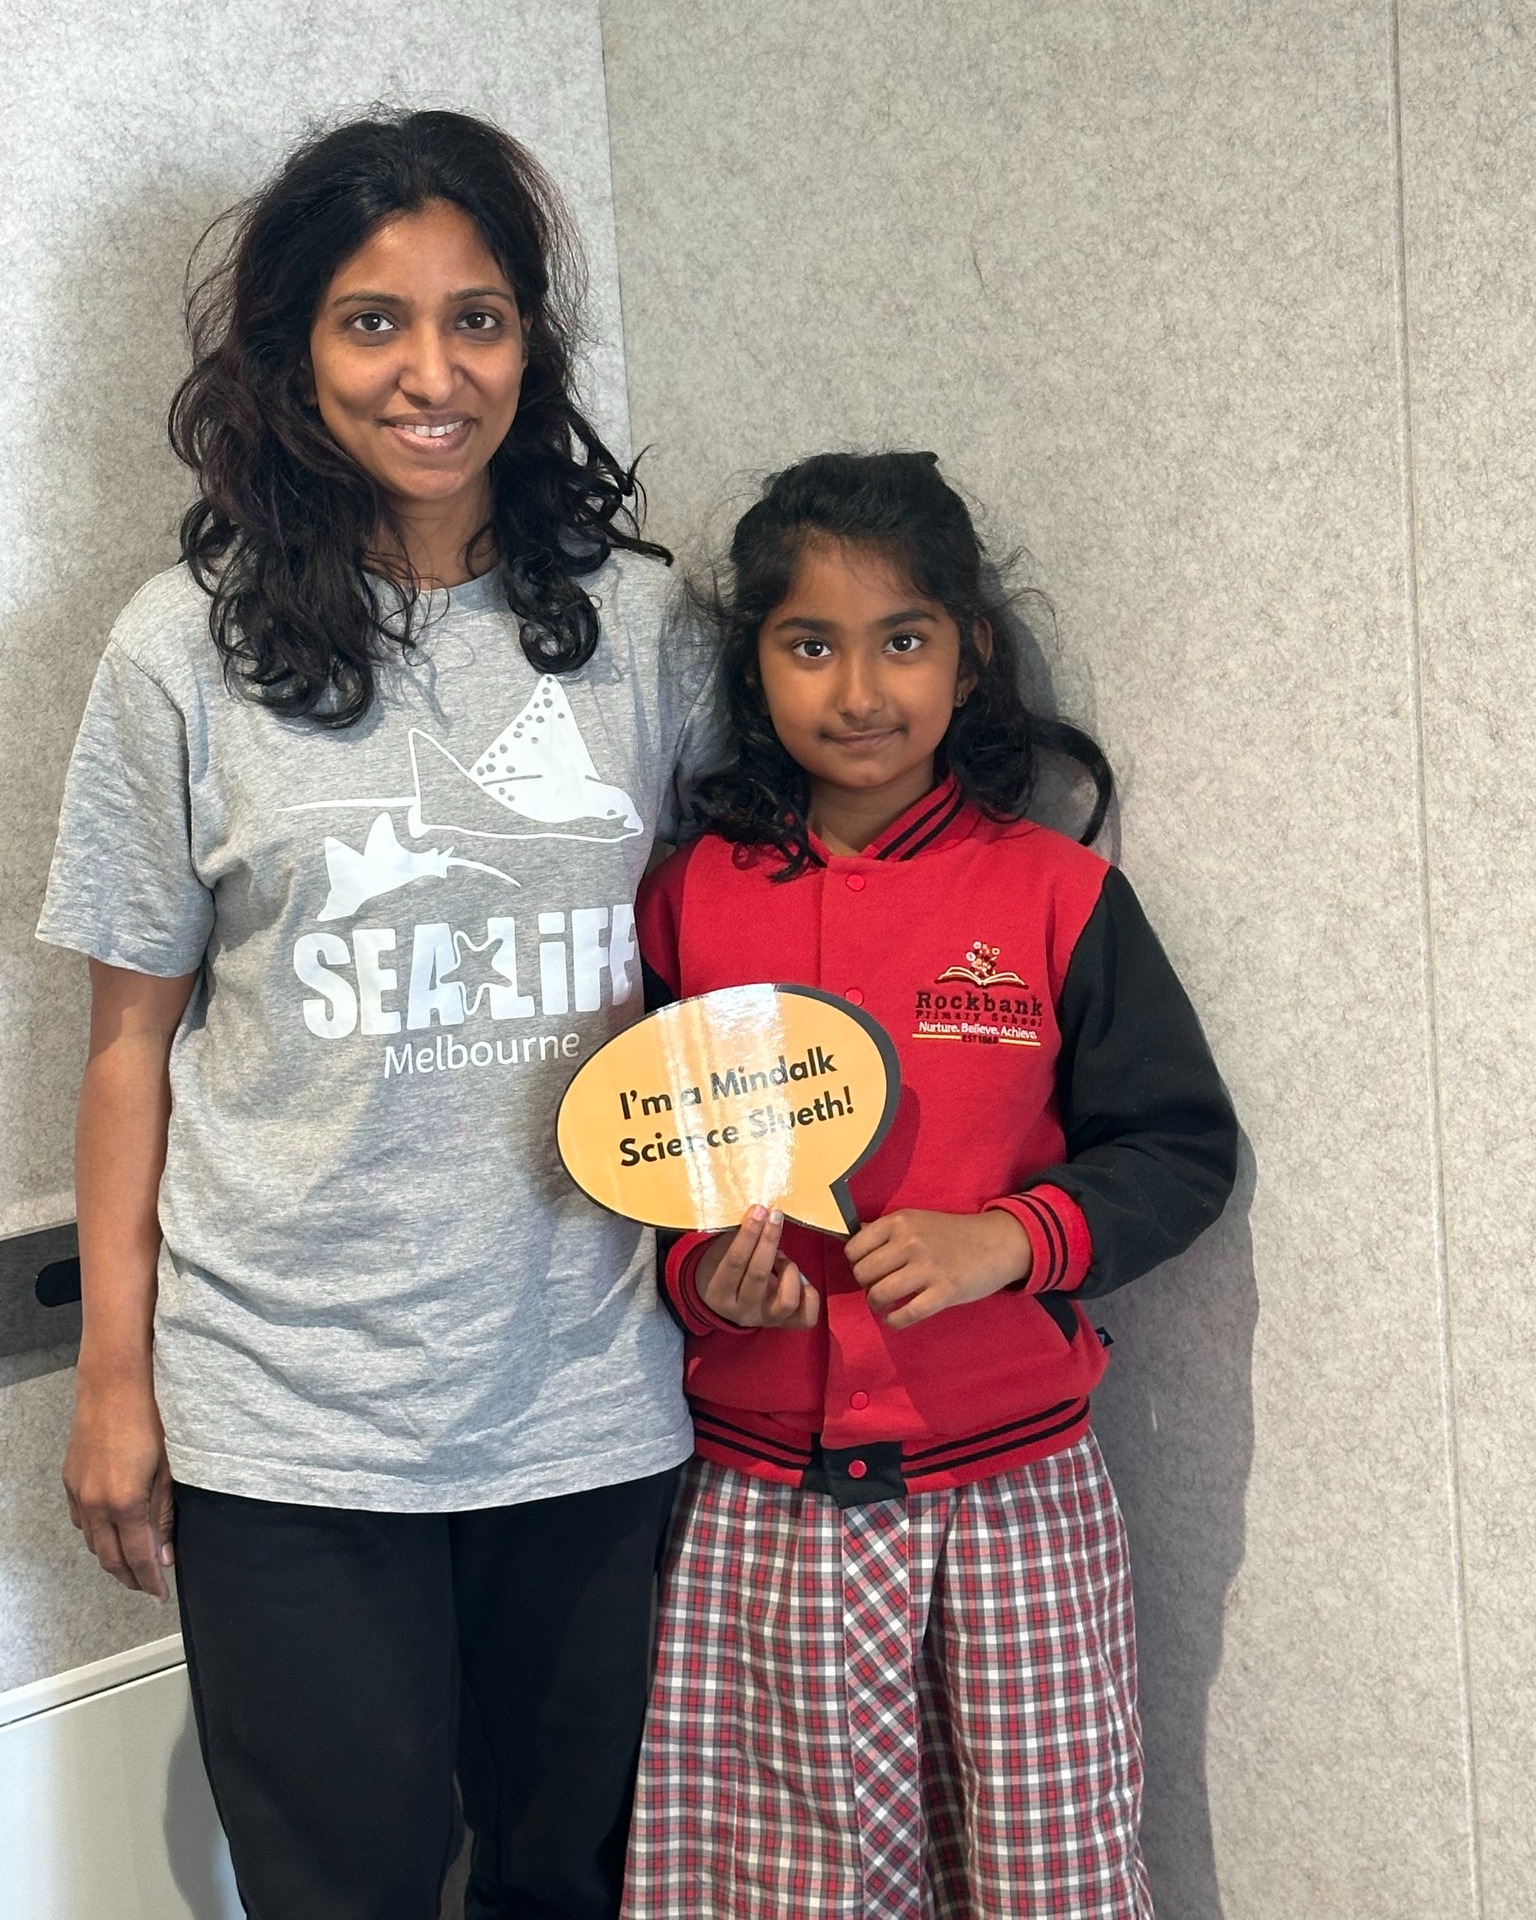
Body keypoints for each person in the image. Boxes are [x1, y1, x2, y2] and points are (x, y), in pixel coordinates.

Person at [37, 110, 719, 1920]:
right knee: (340, 1888)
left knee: (572, 1882)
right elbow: (128, 1044)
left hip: (588, 1387)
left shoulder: (647, 632)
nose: (434, 373)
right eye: (373, 322)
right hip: (289, 1408)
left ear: (532, 346)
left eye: (479, 319)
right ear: (289, 355)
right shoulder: (175, 652)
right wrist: (117, 1379)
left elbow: (731, 956)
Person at [622, 451, 1239, 1920]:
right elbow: (632, 1172)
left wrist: (1009, 1242)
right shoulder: (687, 898)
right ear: (753, 665)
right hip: (759, 1506)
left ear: (969, 658)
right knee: (781, 1891)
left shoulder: (1054, 893)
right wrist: (703, 1278)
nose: (859, 689)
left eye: (903, 640)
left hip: (1015, 1495)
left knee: (1050, 1881)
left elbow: (1180, 1153)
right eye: (809, 643)